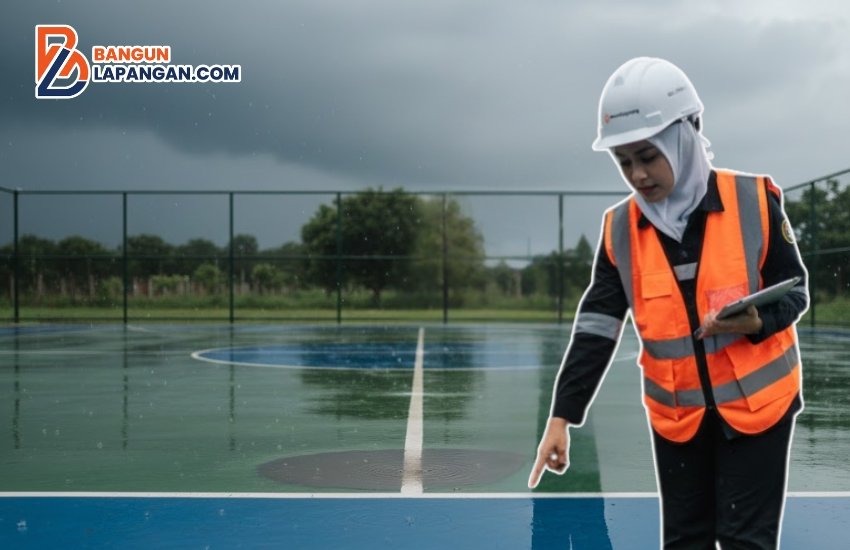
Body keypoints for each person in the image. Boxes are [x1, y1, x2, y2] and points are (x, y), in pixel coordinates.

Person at [528, 57, 808, 549]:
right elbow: (595, 330)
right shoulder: (620, 231)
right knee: (684, 541)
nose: (638, 175)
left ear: (685, 135)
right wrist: (561, 417)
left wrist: (756, 322)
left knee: (746, 542)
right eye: (624, 162)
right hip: (679, 421)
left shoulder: (753, 201)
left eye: (647, 156)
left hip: (759, 412)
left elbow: (797, 291)